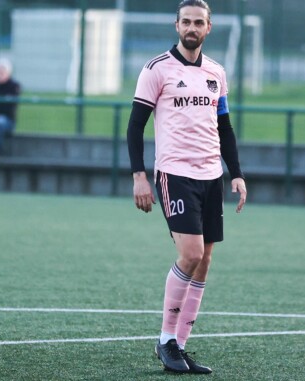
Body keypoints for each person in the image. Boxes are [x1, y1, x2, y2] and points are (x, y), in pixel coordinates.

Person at [127, 0, 246, 374]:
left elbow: (224, 126)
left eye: (199, 22)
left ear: (208, 28)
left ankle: (179, 345)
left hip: (212, 174)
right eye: (186, 22)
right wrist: (139, 176)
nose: (191, 28)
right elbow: (134, 127)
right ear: (176, 26)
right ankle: (165, 340)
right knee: (191, 253)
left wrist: (237, 172)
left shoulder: (216, 72)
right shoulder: (156, 69)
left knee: (205, 260)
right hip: (175, 173)